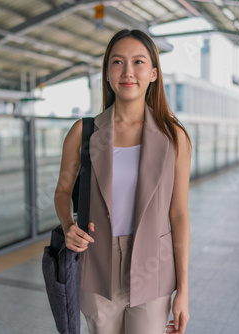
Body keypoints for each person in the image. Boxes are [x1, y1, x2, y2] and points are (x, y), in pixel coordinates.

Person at [54, 29, 192, 334]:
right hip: (96, 266)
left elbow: (179, 214)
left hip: (153, 268)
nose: (128, 72)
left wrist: (183, 289)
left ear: (154, 73)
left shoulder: (174, 137)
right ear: (106, 73)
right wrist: (68, 227)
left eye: (138, 62)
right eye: (117, 62)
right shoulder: (84, 133)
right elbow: (63, 192)